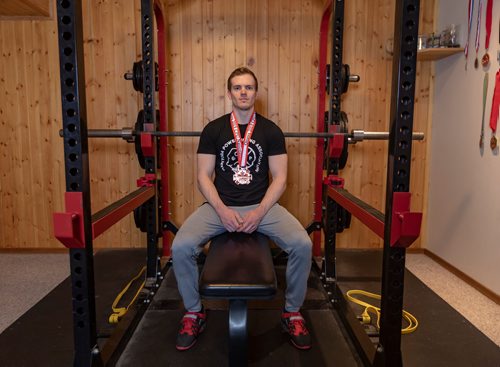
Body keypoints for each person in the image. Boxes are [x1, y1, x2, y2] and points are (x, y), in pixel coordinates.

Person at [171, 67, 312, 351]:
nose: (243, 92)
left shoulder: (271, 131)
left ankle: (292, 312)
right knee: (180, 247)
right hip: (219, 206)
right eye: (237, 87)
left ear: (256, 93)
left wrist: (259, 213)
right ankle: (194, 312)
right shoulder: (214, 129)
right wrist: (222, 210)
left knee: (302, 244)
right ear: (229, 93)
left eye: (248, 87)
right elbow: (202, 176)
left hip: (262, 207)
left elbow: (281, 179)